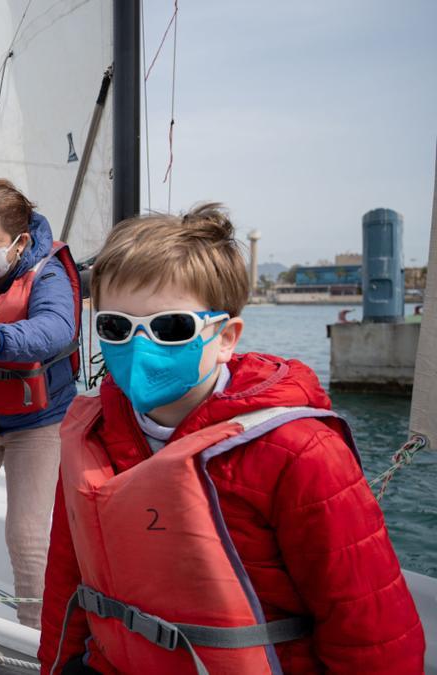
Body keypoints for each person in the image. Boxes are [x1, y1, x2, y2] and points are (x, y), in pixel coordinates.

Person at [39, 204, 425, 673]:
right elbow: (67, 581)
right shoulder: (92, 431)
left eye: (171, 327)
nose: (141, 347)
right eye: (116, 327)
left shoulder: (301, 452)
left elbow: (371, 633)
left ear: (225, 338)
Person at [0, 179, 81, 625]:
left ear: (19, 242)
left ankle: (37, 638)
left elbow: (56, 329)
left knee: (26, 536)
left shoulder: (48, 272)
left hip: (39, 422)